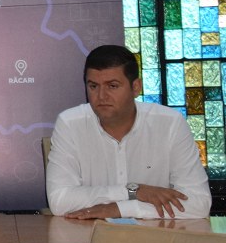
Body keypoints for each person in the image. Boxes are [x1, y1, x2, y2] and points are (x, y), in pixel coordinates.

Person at [46, 44, 211, 219]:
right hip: (89, 233)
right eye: (93, 86)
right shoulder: (70, 124)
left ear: (136, 87)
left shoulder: (170, 123)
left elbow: (199, 203)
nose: (101, 96)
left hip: (155, 234)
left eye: (112, 86)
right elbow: (60, 201)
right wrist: (134, 191)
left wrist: (121, 209)